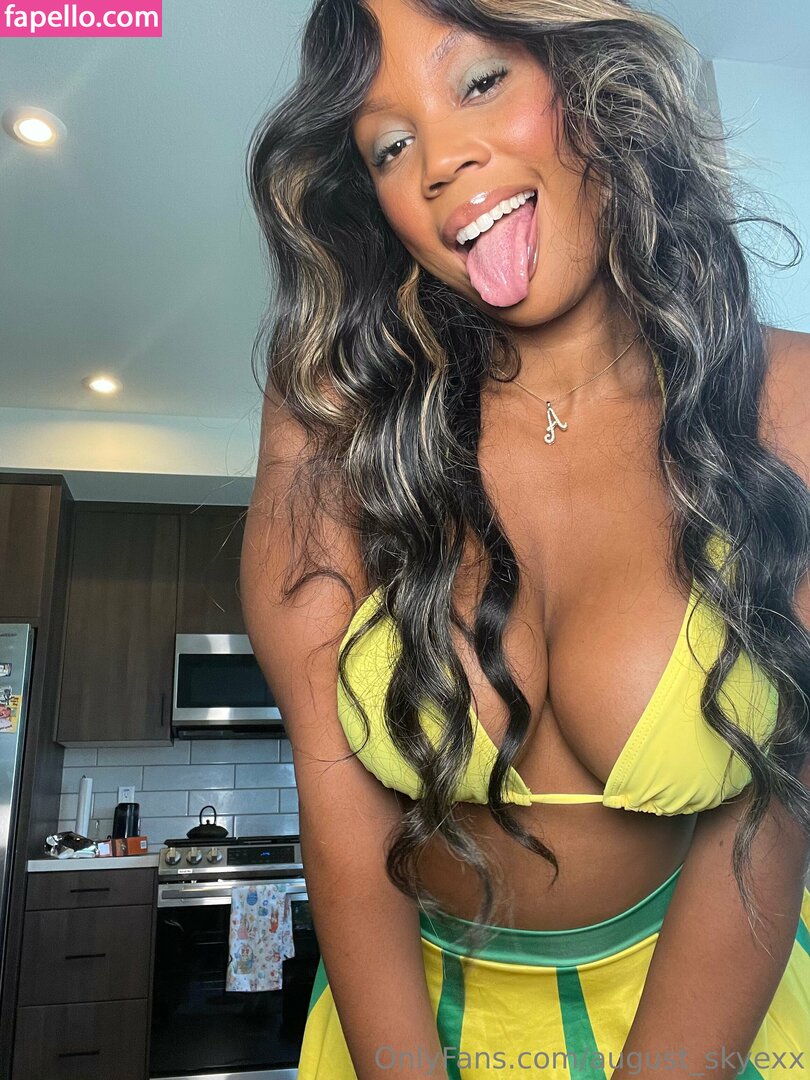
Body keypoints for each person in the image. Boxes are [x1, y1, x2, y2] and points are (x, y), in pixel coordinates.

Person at [240, 0, 810, 1077]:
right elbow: (344, 826)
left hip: (703, 1011)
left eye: (481, 81)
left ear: (591, 84)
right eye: (390, 146)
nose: (441, 161)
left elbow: (772, 824)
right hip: (404, 1025)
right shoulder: (333, 413)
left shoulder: (790, 399)